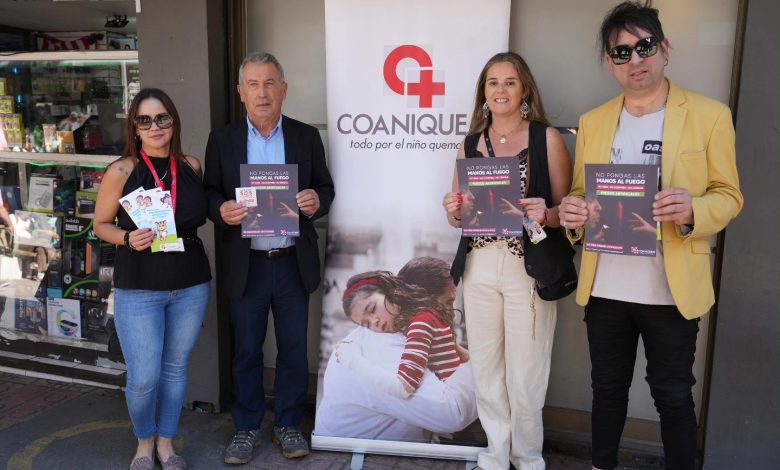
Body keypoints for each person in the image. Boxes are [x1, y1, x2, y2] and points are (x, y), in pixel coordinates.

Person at [557, 2, 743, 469]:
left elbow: (729, 196)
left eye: (644, 46)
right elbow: (579, 192)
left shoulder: (709, 115)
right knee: (606, 391)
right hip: (606, 286)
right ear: (610, 62)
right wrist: (574, 214)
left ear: (664, 49)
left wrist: (694, 208)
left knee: (673, 395)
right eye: (622, 52)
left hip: (670, 289)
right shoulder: (595, 120)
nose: (635, 59)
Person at [442, 52, 572, 470]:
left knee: (526, 373)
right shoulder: (469, 144)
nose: (500, 90)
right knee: (486, 366)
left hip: (526, 267)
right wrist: (452, 209)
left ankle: (528, 458)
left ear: (525, 89)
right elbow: (458, 216)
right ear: (483, 91)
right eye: (493, 82)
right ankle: (496, 454)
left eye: (510, 82)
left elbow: (567, 212)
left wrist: (546, 213)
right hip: (478, 265)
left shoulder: (545, 139)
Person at [204, 52, 334, 464]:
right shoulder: (222, 140)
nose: (263, 93)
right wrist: (220, 209)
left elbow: (325, 188)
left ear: (284, 90)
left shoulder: (305, 137)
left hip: (292, 262)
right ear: (241, 92)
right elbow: (210, 193)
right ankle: (246, 427)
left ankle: (288, 424)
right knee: (247, 350)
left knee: (294, 350)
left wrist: (315, 201)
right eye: (254, 85)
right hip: (248, 266)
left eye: (270, 83)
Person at [93, 88, 212, 470]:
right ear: (135, 127)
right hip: (140, 285)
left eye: (162, 118)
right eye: (144, 120)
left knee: (175, 370)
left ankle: (166, 443)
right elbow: (100, 225)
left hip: (190, 283)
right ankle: (144, 441)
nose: (154, 126)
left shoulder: (191, 166)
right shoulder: (122, 170)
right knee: (144, 377)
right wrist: (127, 237)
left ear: (173, 122)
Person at [338, 270, 464, 398]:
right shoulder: (424, 315)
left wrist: (352, 360)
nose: (374, 322)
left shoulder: (420, 324)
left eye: (372, 309)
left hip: (455, 400)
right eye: (367, 324)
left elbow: (403, 389)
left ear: (389, 291)